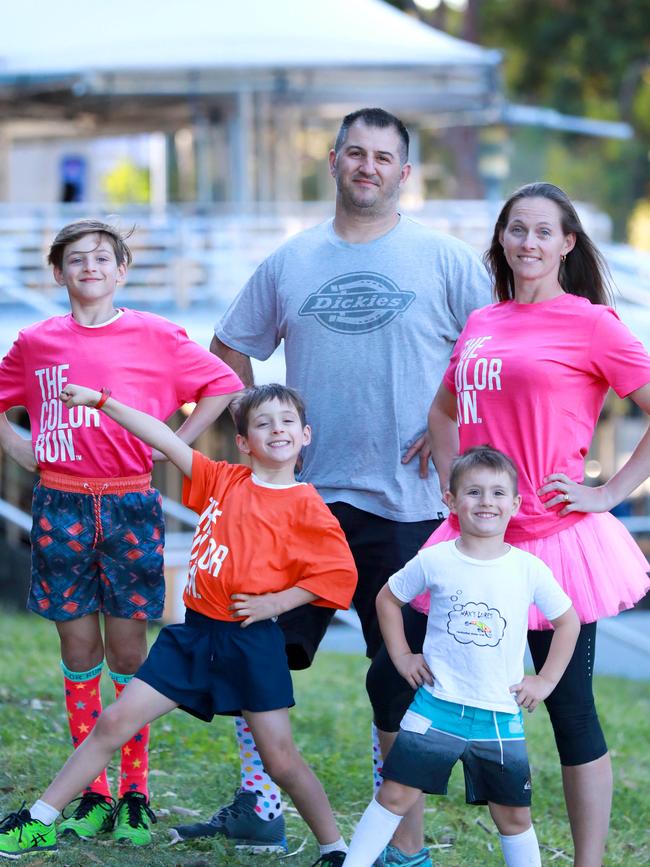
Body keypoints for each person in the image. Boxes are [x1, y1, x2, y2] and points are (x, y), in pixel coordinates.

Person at [172, 106, 492, 867]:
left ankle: (397, 845)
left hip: (409, 505)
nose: (369, 166)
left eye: (385, 156)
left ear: (405, 172)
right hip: (301, 503)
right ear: (333, 159)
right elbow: (227, 354)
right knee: (257, 651)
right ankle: (259, 802)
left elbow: (495, 360)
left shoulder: (446, 261)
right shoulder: (291, 261)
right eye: (356, 152)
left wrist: (457, 432)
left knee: (399, 678)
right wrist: (258, 439)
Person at [369, 181, 650, 867]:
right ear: (501, 239)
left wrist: (610, 490)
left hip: (557, 541)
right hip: (474, 543)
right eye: (515, 229)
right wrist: (449, 479)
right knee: (421, 677)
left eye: (543, 231)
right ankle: (408, 842)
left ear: (567, 243)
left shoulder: (591, 323)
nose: (527, 242)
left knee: (568, 706)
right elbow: (443, 411)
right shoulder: (483, 321)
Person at [0, 382, 357, 865]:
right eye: (263, 422)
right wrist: (105, 402)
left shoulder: (308, 506)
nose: (278, 429)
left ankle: (336, 849)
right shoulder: (223, 479)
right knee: (114, 721)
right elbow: (165, 439)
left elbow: (338, 573)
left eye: (288, 421)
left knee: (281, 759)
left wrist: (276, 604)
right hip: (194, 635)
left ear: (306, 434)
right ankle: (39, 820)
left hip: (252, 644)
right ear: (245, 442)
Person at [0, 220, 243, 845]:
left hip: (131, 504)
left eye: (102, 258)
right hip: (61, 504)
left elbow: (224, 384)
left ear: (121, 270)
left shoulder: (156, 334)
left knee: (130, 654)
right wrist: (27, 454)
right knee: (79, 652)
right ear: (58, 273)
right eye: (75, 259)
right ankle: (95, 794)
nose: (89, 267)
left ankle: (134, 792)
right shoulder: (35, 341)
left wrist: (176, 446)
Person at [343, 446, 580, 866]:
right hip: (437, 707)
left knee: (513, 817)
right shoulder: (435, 560)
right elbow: (387, 599)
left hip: (498, 716)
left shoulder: (529, 569)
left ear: (515, 504)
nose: (486, 501)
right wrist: (401, 656)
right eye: (473, 491)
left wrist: (544, 681)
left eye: (497, 493)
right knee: (394, 795)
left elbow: (568, 622)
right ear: (450, 501)